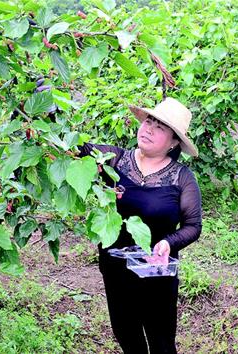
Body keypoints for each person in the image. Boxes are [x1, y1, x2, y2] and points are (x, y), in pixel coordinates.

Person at [78, 97, 202, 353]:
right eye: (148, 121)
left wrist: (169, 242)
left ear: (174, 142)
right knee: (127, 335)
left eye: (160, 127)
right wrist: (49, 112)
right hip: (115, 269)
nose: (148, 129)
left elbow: (193, 224)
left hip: (157, 274)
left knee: (161, 342)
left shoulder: (181, 178)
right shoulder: (115, 160)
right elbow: (77, 149)